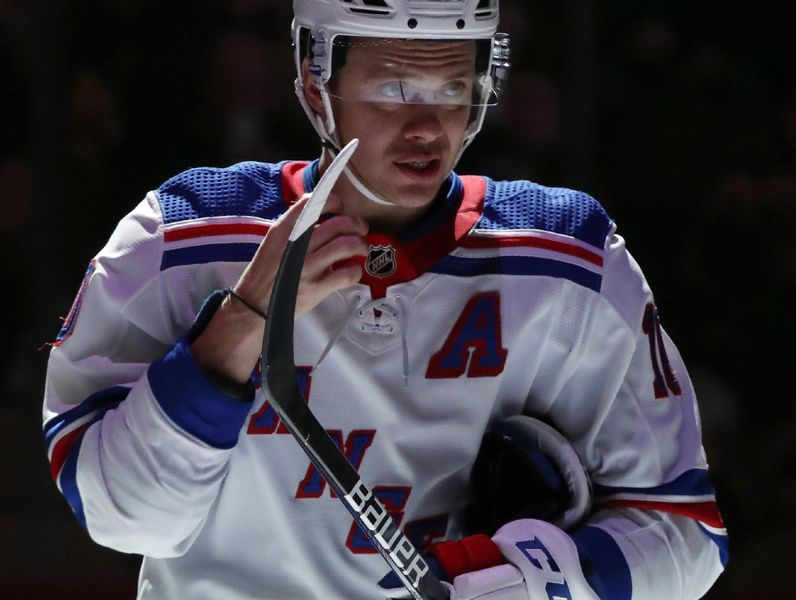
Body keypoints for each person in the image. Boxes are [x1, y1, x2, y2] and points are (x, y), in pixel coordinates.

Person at [43, 1, 728, 598]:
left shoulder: (570, 263)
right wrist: (242, 322)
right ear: (318, 84)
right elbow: (125, 521)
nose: (428, 125)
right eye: (394, 88)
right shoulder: (183, 236)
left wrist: (552, 580)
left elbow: (688, 535)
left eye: (454, 87)